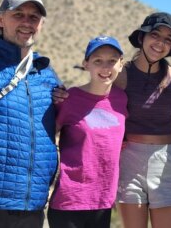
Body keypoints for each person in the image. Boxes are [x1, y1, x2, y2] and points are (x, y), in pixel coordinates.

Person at [0, 0, 60, 228]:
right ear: (0, 19)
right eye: (19, 14)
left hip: (33, 209)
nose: (27, 22)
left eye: (34, 17)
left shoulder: (47, 75)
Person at [115, 12, 171, 228]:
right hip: (128, 160)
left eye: (168, 39)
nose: (160, 43)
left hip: (165, 160)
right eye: (155, 35)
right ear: (141, 38)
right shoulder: (121, 75)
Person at [47, 36, 128, 228]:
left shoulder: (122, 99)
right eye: (98, 61)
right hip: (69, 201)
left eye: (112, 61)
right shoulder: (68, 98)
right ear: (86, 64)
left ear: (121, 64)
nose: (105, 67)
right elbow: (47, 139)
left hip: (103, 200)